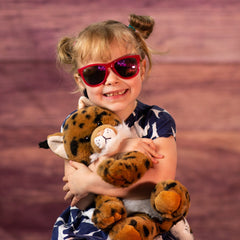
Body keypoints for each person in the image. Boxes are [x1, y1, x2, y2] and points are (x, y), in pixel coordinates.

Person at [52, 14, 193, 240]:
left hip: (147, 221)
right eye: (95, 73)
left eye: (124, 66)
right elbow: (78, 190)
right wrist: (125, 145)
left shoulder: (157, 120)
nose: (111, 79)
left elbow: (155, 183)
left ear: (142, 68)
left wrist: (90, 181)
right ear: (81, 81)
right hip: (92, 221)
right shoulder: (76, 123)